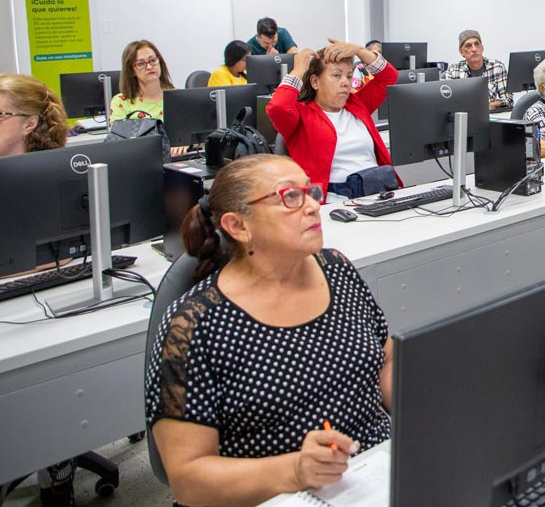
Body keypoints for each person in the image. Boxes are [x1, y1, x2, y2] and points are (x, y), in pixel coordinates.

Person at [145, 154, 392, 507]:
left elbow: (385, 360)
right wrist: (294, 470)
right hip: (277, 497)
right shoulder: (194, 325)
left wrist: (423, 404)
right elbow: (187, 479)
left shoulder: (336, 270)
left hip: (371, 476)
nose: (312, 206)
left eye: (310, 192)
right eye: (291, 196)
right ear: (238, 226)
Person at [0, 74, 81, 505]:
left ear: (28, 124)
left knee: (58, 364)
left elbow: (70, 250)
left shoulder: (56, 175)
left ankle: (57, 469)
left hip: (48, 301)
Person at [265, 39, 398, 195]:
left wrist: (359, 50)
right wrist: (298, 70)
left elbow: (389, 77)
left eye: (348, 76)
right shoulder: (301, 116)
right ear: (315, 82)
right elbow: (278, 107)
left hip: (378, 189)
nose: (345, 83)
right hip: (335, 200)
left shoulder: (357, 105)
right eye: (336, 75)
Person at [109, 39, 176, 121]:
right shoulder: (121, 102)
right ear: (131, 71)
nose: (149, 67)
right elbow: (117, 132)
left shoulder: (176, 98)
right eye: (141, 64)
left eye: (153, 60)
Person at [444, 30, 511, 109]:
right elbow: (449, 102)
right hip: (464, 117)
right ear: (462, 52)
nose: (474, 49)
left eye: (477, 44)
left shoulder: (497, 67)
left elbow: (508, 100)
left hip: (489, 116)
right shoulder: (453, 71)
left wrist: (486, 106)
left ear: (482, 48)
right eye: (468, 46)